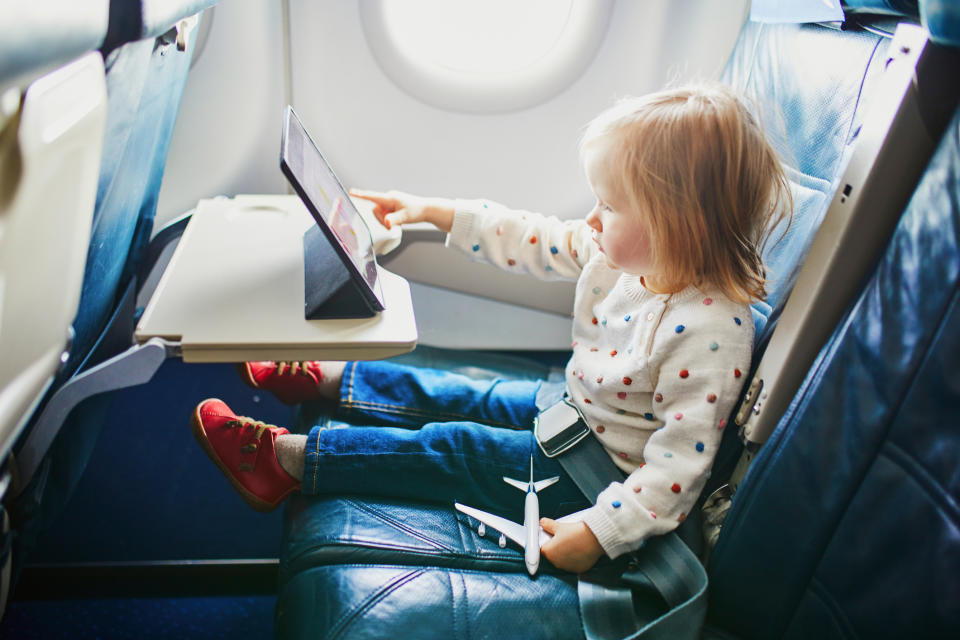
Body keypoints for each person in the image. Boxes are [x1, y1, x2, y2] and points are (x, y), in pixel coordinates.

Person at [191, 83, 791, 574]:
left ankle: (286, 462)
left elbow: (676, 469)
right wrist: (435, 211)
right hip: (573, 412)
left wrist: (603, 531)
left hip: (595, 478)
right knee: (463, 394)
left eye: (609, 205)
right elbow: (531, 236)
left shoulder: (712, 331)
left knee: (458, 448)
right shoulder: (623, 253)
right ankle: (325, 381)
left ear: (678, 223)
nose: (590, 217)